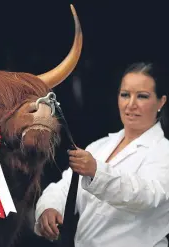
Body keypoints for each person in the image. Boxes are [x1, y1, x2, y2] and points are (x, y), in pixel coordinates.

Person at [34, 62, 169, 247]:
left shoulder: (164, 151)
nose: (131, 104)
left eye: (142, 96)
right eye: (125, 95)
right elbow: (65, 186)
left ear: (161, 101)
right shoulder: (99, 147)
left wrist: (96, 172)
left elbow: (147, 196)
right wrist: (49, 207)